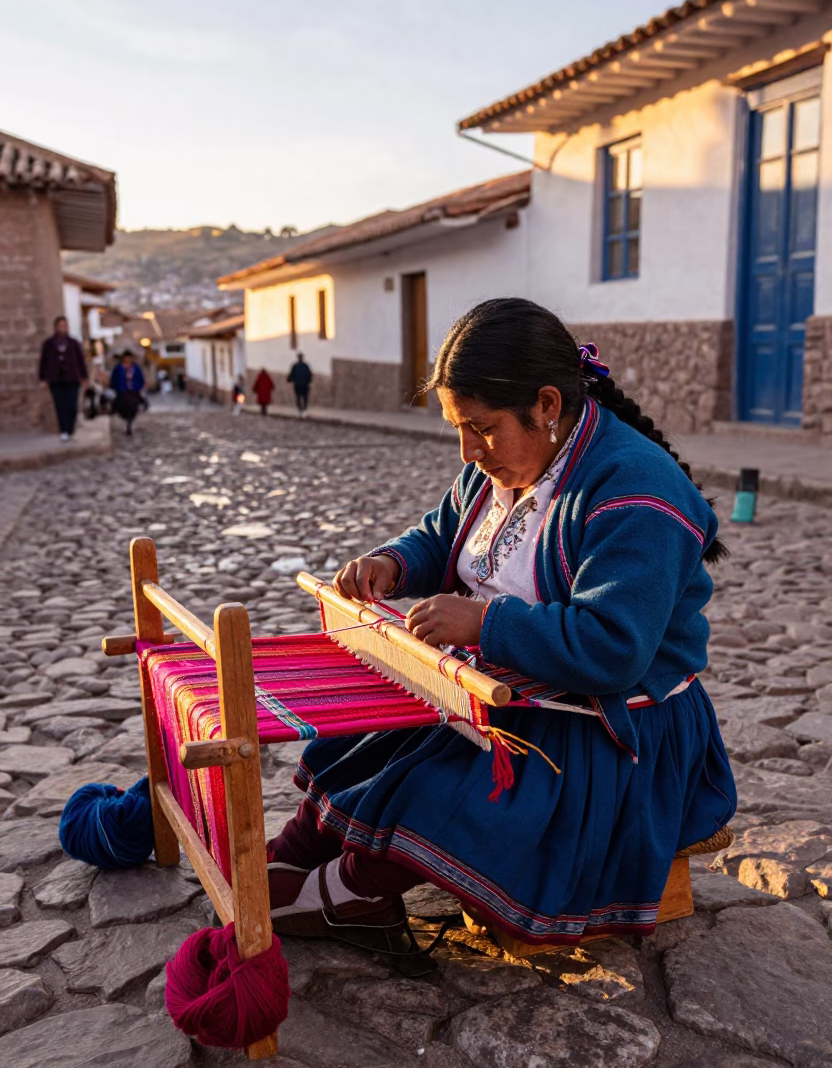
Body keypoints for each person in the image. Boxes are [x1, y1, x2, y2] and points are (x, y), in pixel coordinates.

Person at [264, 297, 737, 951]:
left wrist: (483, 623)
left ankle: (349, 894)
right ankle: (294, 851)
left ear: (547, 405)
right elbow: (443, 535)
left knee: (442, 784)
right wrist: (392, 564)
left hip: (610, 725)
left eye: (480, 428)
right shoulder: (500, 464)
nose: (468, 449)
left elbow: (613, 646)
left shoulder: (637, 493)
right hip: (511, 690)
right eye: (459, 427)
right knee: (376, 736)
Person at [38, 315, 88, 441]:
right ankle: (64, 430)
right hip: (56, 379)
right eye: (60, 325)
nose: (62, 328)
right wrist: (43, 378)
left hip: (72, 378)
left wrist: (84, 376)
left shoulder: (73, 343)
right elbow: (44, 361)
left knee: (72, 405)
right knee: (60, 405)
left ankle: (70, 428)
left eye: (64, 325)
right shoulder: (49, 344)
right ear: (56, 327)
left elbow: (80, 360)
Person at [109, 351, 145, 437]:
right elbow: (113, 379)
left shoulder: (136, 368)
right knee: (122, 407)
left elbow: (140, 379)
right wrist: (114, 387)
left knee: (133, 407)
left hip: (133, 391)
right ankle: (126, 421)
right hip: (122, 391)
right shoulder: (118, 368)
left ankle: (129, 423)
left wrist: (138, 386)